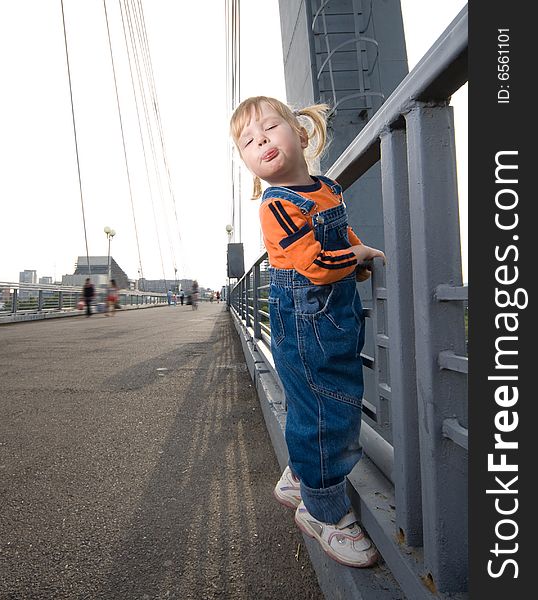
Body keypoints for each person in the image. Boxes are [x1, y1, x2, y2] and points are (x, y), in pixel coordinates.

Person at [230, 95, 386, 568]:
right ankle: (324, 513)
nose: (261, 143)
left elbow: (340, 235)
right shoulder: (276, 206)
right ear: (249, 164)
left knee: (324, 398)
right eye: (248, 142)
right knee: (327, 408)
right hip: (305, 314)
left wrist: (357, 251)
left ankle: (300, 473)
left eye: (269, 130)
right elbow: (316, 264)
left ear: (299, 133)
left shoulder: (326, 187)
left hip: (331, 312)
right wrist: (355, 260)